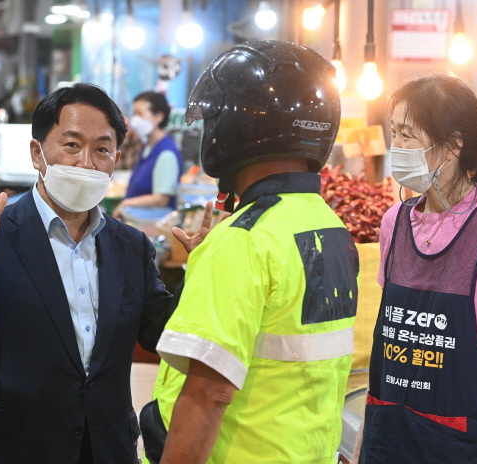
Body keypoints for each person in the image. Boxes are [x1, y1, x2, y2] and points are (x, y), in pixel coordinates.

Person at [0, 82, 211, 464]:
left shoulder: (130, 247)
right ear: (37, 154)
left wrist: (202, 271)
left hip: (105, 447)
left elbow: (163, 335)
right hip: (14, 448)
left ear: (116, 158)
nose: (86, 163)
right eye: (72, 145)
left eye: (102, 149)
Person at [141, 40, 359, 464]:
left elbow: (209, 393)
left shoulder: (244, 239)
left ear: (235, 130)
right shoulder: (331, 228)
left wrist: (222, 257)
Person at [352, 74, 477, 463]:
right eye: (393, 132)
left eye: (408, 135)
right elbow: (388, 347)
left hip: (463, 446)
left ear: (452, 147)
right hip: (387, 444)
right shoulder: (393, 221)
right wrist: (364, 438)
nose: (397, 147)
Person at [113, 91, 183, 216]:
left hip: (151, 225)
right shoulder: (147, 146)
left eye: (140, 114)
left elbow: (161, 199)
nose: (135, 120)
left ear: (158, 117)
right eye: (134, 114)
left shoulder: (166, 153)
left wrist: (126, 203)